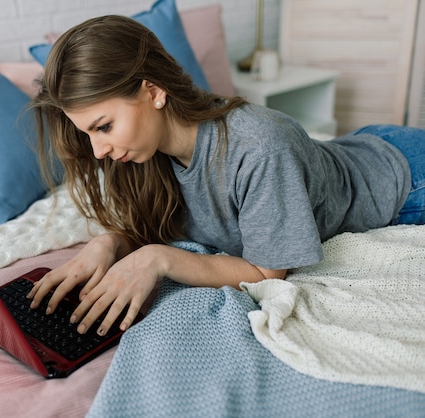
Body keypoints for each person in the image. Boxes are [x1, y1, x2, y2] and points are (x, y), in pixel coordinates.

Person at [27, 14, 425, 337]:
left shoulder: (258, 146)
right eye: (88, 134)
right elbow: (162, 225)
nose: (99, 152)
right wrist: (111, 242)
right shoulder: (145, 154)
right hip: (350, 150)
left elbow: (268, 272)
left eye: (104, 126)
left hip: (405, 176)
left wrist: (156, 259)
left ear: (153, 93)